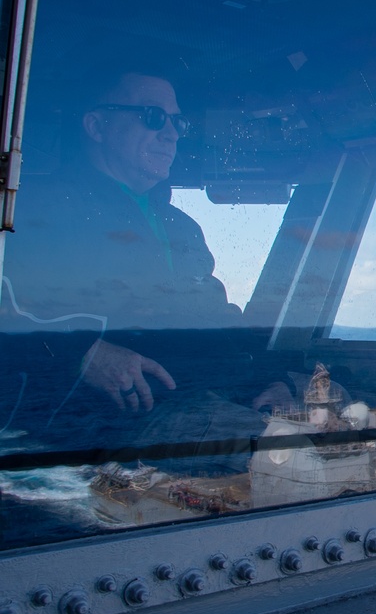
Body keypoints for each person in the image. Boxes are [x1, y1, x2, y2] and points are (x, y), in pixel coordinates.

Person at [0, 66, 292, 454]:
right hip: (112, 424)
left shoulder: (181, 226)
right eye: (153, 117)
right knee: (299, 452)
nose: (171, 134)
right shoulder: (35, 208)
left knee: (336, 406)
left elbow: (216, 319)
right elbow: (11, 313)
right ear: (97, 125)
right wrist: (84, 353)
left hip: (209, 394)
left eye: (177, 122)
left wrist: (270, 380)